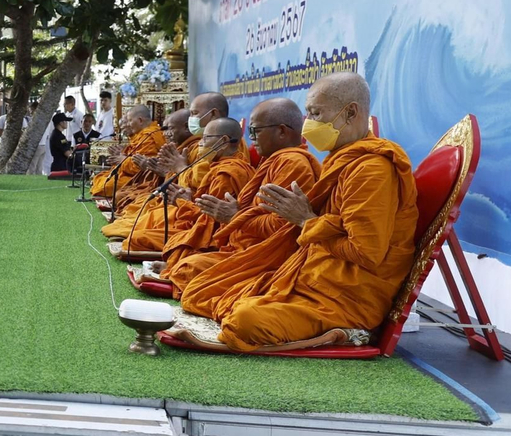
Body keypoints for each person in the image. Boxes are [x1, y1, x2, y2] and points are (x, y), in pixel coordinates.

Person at [179, 74, 418, 351]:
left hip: (347, 296)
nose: (308, 125)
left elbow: (366, 252)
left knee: (244, 320)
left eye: (316, 113)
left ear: (350, 112)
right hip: (311, 276)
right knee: (200, 291)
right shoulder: (342, 159)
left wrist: (306, 221)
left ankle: (345, 332)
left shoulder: (371, 169)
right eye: (308, 114)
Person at [162, 99, 321, 295]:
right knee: (184, 261)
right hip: (244, 246)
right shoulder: (273, 162)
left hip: (266, 257)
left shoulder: (292, 164)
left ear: (281, 131)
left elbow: (281, 228)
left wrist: (233, 216)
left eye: (255, 131)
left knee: (188, 271)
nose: (252, 139)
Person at [111, 118, 252, 254]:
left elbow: (210, 221)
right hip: (191, 220)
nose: (201, 143)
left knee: (139, 238)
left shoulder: (228, 173)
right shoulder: (215, 162)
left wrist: (185, 201)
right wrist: (174, 182)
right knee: (148, 217)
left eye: (206, 138)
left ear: (224, 141)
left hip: (210, 235)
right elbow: (197, 193)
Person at [88, 103, 163, 205]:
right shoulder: (142, 135)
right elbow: (133, 156)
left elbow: (140, 168)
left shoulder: (150, 136)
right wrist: (121, 154)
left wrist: (122, 160)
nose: (128, 124)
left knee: (106, 186)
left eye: (130, 121)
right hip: (131, 174)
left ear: (140, 120)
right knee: (101, 178)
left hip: (142, 179)